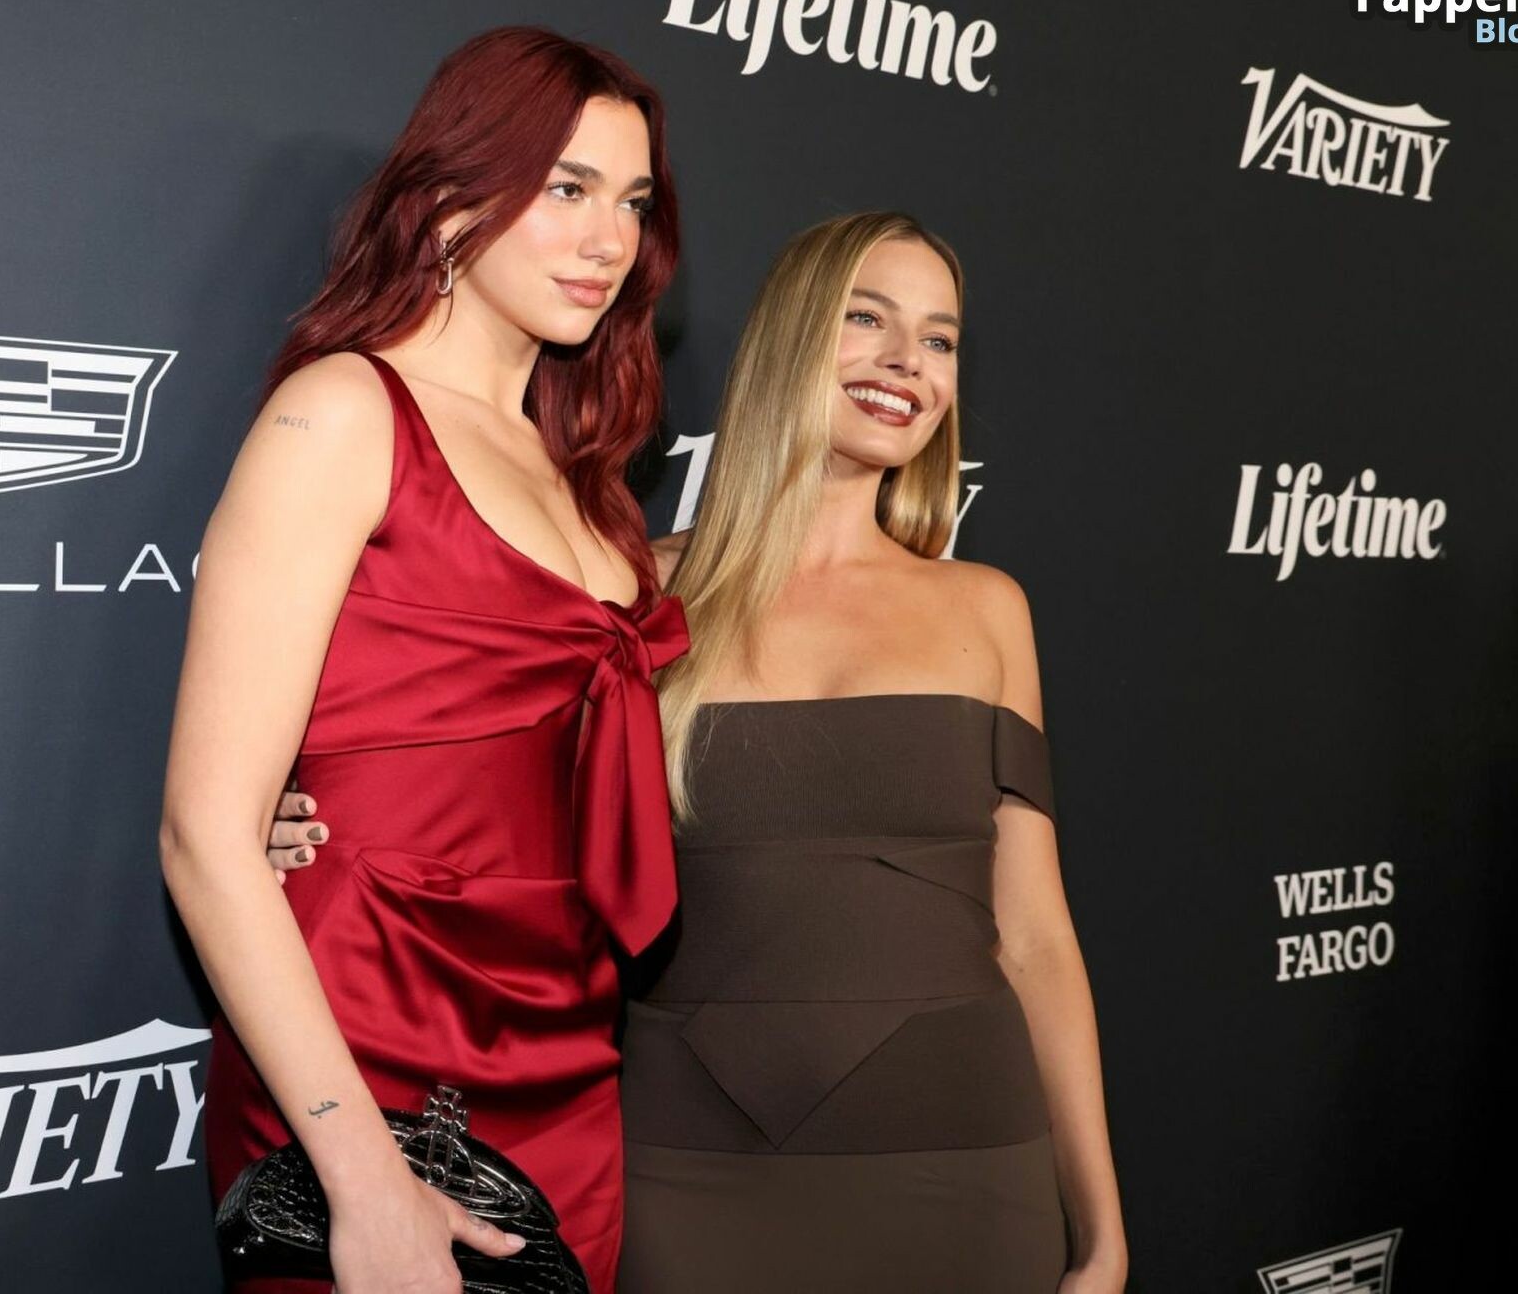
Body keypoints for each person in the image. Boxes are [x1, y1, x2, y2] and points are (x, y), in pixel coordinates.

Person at [270, 212, 1128, 1291]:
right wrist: (310, 820)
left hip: (964, 1161)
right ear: (790, 337)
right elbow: (490, 787)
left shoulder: (989, 609)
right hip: (685, 1166)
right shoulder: (631, 587)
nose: (910, 360)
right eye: (867, 319)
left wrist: (1101, 1228)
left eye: (941, 338)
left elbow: (1037, 936)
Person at [159, 25, 686, 1294]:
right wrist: (360, 1179)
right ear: (452, 199)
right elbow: (207, 835)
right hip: (362, 1035)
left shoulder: (585, 475)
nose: (608, 240)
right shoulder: (344, 411)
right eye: (565, 188)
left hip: (567, 1041)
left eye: (632, 201)